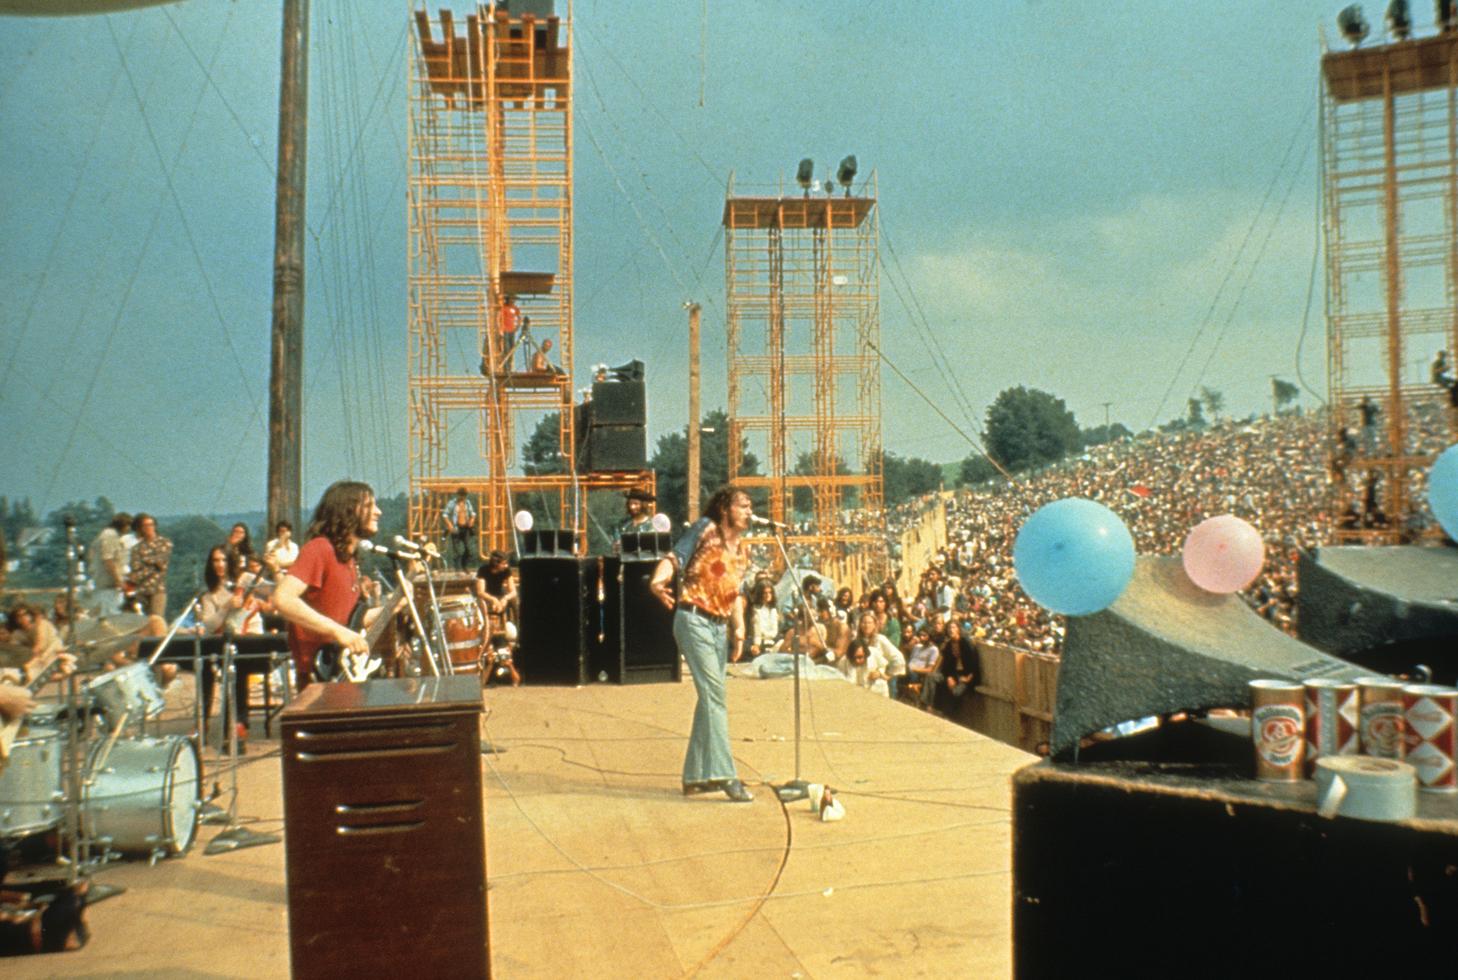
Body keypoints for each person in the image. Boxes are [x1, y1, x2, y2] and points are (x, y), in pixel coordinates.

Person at [648, 485, 754, 803]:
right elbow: (675, 557)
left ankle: (695, 776)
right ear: (726, 509)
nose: (750, 511)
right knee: (715, 698)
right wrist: (658, 580)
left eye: (751, 507)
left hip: (719, 627)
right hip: (693, 618)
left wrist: (739, 630)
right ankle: (725, 774)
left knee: (710, 699)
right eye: (744, 506)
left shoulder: (742, 551)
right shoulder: (705, 529)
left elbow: (733, 593)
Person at [272, 481, 383, 687]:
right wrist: (338, 632)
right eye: (369, 506)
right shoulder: (319, 549)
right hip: (321, 675)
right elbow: (282, 598)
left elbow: (351, 620)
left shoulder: (348, 560)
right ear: (347, 511)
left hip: (345, 671)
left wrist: (397, 603)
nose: (378, 512)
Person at [87, 512, 131, 614]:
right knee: (111, 615)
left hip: (102, 582)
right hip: (108, 585)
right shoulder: (110, 536)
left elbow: (91, 554)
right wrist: (118, 580)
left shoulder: (103, 535)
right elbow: (108, 560)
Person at [129, 513, 172, 617]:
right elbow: (135, 570)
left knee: (156, 620)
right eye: (146, 525)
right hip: (141, 591)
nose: (149, 528)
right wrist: (153, 563)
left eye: (151, 525)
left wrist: (145, 561)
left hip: (157, 589)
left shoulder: (164, 543)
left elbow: (162, 564)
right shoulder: (136, 548)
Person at [744, 581, 781, 661]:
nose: (768, 595)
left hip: (773, 640)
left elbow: (775, 631)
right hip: (759, 641)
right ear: (760, 594)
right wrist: (757, 644)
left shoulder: (774, 610)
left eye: (770, 592)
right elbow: (757, 631)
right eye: (765, 593)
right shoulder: (755, 610)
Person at [442, 488, 477, 571]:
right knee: (457, 551)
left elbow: (473, 513)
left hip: (465, 528)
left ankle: (464, 566)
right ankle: (457, 569)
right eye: (461, 495)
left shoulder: (467, 503)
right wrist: (450, 525)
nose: (463, 497)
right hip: (456, 528)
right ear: (458, 495)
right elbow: (445, 515)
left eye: (464, 495)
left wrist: (472, 520)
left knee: (469, 550)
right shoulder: (452, 503)